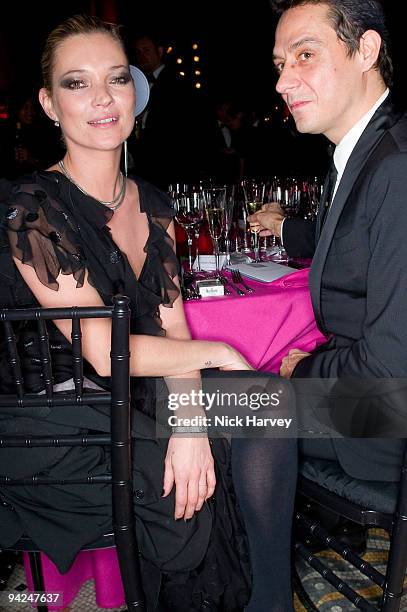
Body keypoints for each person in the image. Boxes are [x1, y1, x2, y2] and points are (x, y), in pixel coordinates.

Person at [0, 15, 298, 612]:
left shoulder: (153, 203)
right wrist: (217, 358)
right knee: (230, 423)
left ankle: (267, 599)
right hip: (60, 419)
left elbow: (171, 328)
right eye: (77, 84)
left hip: (137, 396)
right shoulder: (31, 208)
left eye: (116, 79)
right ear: (49, 104)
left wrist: (188, 415)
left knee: (271, 404)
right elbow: (102, 351)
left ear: (135, 93)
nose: (103, 98)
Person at [250, 0, 407, 570]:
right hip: (375, 401)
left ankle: (257, 593)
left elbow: (391, 371)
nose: (283, 80)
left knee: (205, 413)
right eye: (279, 63)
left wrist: (305, 372)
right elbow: (349, 238)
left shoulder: (396, 166)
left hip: (385, 421)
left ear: (366, 50)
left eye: (305, 55)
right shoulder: (366, 154)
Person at [128, 32, 204, 189]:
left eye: (146, 50)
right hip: (145, 170)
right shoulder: (135, 85)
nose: (142, 56)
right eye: (138, 52)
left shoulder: (178, 83)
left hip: (172, 170)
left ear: (160, 51)